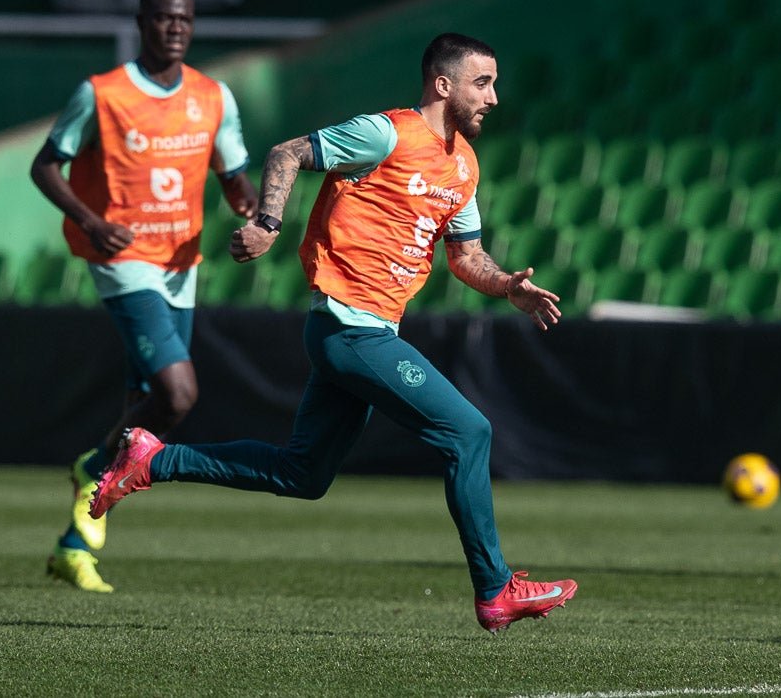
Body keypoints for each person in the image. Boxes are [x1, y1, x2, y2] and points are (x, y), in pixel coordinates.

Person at [87, 32, 577, 632]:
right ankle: (496, 590)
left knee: (305, 475)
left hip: (362, 332)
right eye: (483, 82)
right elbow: (288, 151)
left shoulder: (464, 165)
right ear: (442, 85)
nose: (494, 97)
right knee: (469, 432)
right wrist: (267, 225)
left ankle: (153, 459)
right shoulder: (386, 133)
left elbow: (467, 257)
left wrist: (509, 288)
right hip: (352, 330)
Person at [31, 0, 258, 593]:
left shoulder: (213, 96)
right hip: (124, 258)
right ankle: (92, 468)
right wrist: (87, 219)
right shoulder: (101, 94)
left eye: (184, 19)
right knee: (178, 394)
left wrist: (247, 205)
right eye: (163, 18)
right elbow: (45, 164)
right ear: (142, 22)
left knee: (145, 420)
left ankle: (76, 542)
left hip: (183, 263)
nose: (175, 28)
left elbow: (233, 173)